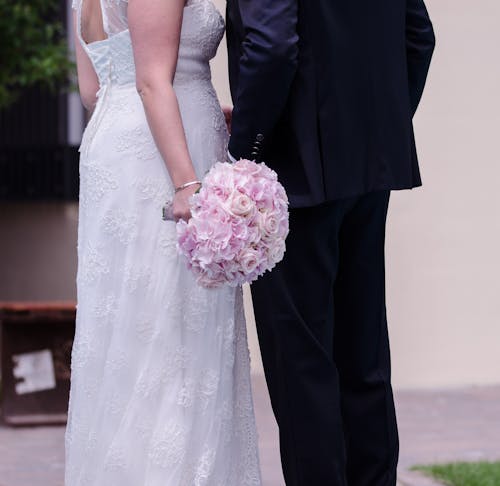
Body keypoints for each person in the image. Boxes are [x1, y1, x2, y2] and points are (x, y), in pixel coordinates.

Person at [226, 0, 435, 484]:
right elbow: (419, 36)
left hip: (291, 175)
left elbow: (273, 45)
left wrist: (245, 154)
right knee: (363, 352)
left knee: (301, 363)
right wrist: (379, 128)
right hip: (370, 165)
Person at [65, 0, 261, 484]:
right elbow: (153, 80)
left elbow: (94, 90)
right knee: (172, 331)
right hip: (163, 163)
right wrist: (187, 183)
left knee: (132, 328)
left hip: (120, 147)